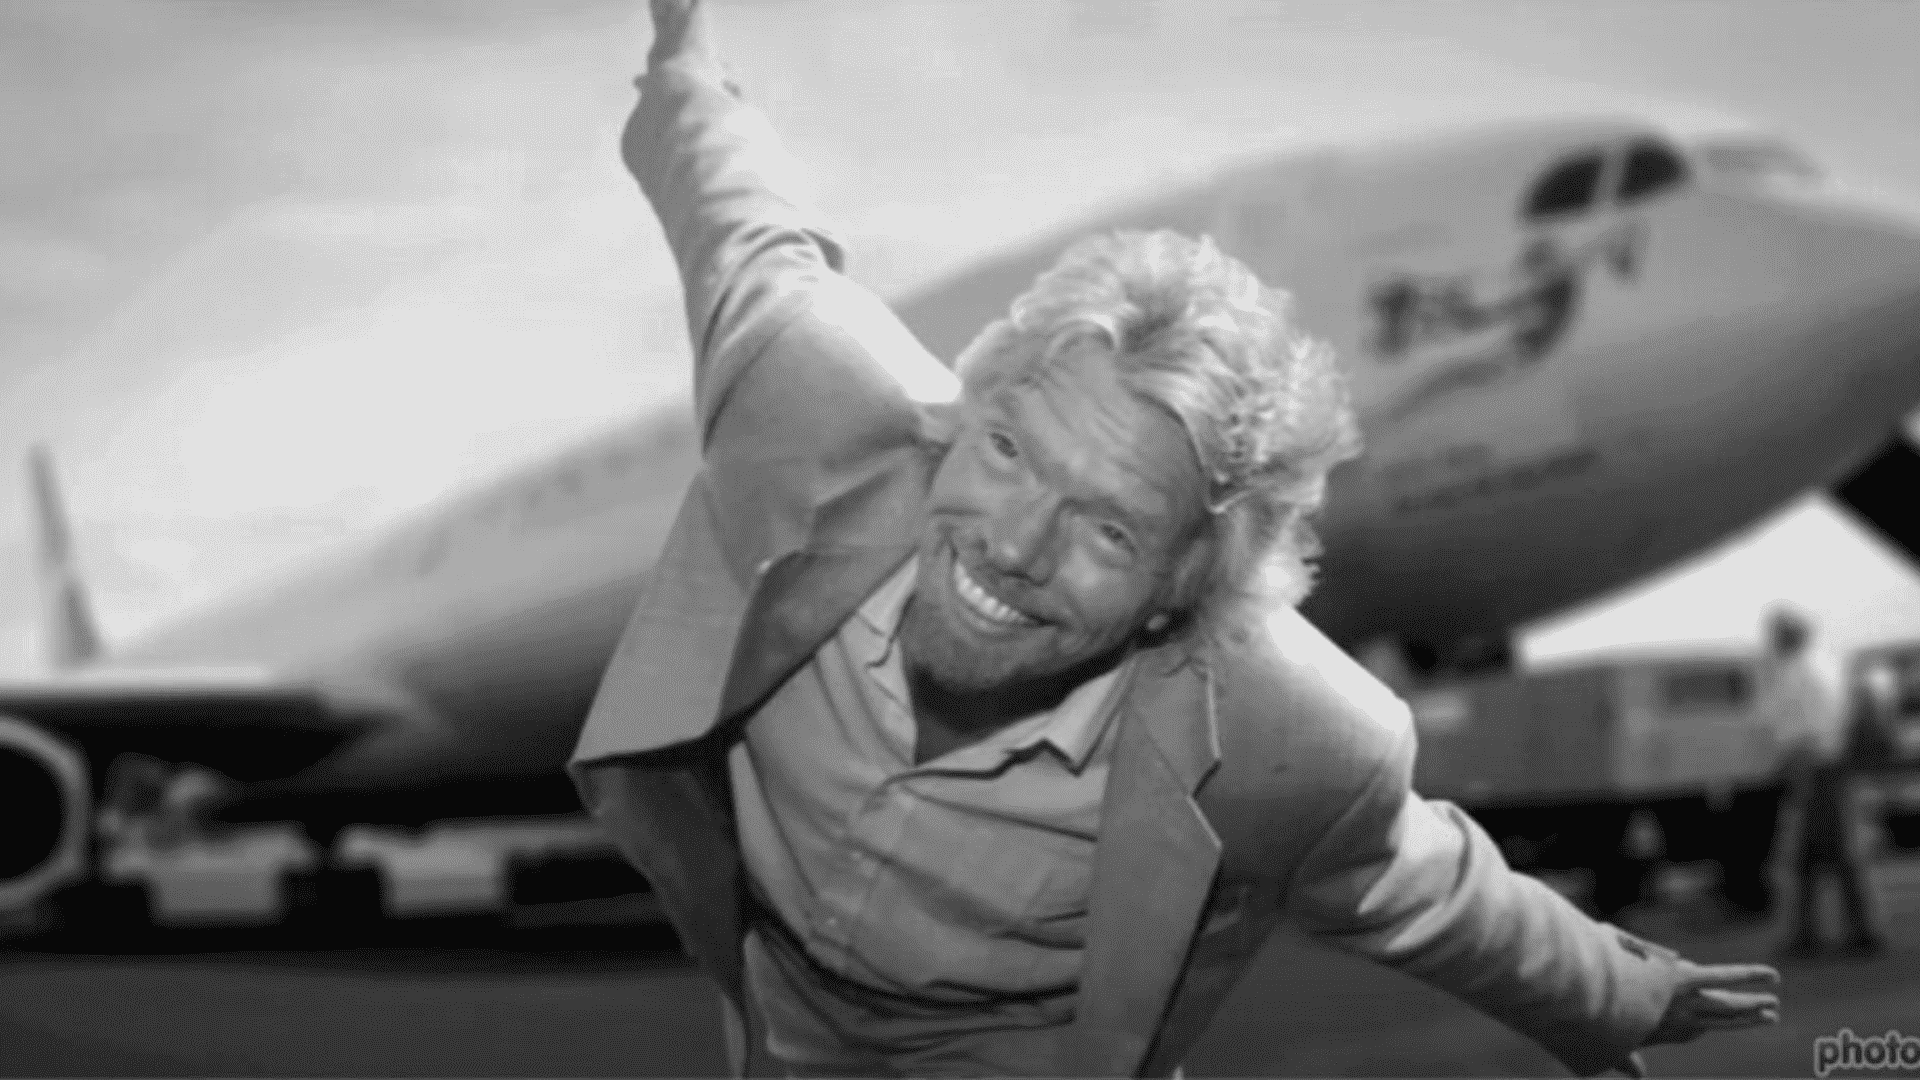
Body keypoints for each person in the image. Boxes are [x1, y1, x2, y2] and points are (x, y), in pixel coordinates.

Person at [570, 2, 1781, 1075]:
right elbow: (745, 228)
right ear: (963, 414)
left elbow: (1429, 888)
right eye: (1010, 452)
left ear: (1178, 594)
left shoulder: (1288, 731)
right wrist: (684, 74)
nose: (1013, 547)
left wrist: (1609, 993)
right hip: (781, 1011)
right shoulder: (806, 396)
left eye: (1108, 529)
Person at [1761, 606, 1886, 958]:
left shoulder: (1800, 670)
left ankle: (1839, 932)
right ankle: (1834, 930)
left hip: (1816, 768)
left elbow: (1806, 727)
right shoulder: (1819, 665)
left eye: (1776, 633)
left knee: (1822, 852)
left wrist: (1794, 766)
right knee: (1824, 852)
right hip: (1825, 767)